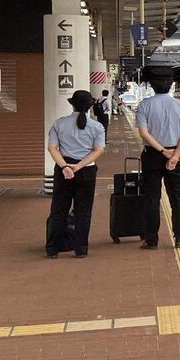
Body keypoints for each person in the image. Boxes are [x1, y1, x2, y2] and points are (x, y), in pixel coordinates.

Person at [136, 69, 180, 249]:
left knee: (151, 197)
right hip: (176, 157)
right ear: (171, 86)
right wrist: (175, 155)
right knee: (177, 197)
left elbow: (144, 133)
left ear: (152, 86)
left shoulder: (144, 105)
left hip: (152, 156)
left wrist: (162, 151)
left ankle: (151, 239)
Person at [45, 90, 106, 257]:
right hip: (86, 171)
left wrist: (65, 166)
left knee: (59, 210)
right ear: (90, 106)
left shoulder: (59, 124)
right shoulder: (97, 127)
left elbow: (52, 148)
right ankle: (80, 249)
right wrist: (79, 166)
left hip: (63, 171)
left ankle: (52, 248)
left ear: (72, 104)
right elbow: (98, 151)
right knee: (83, 211)